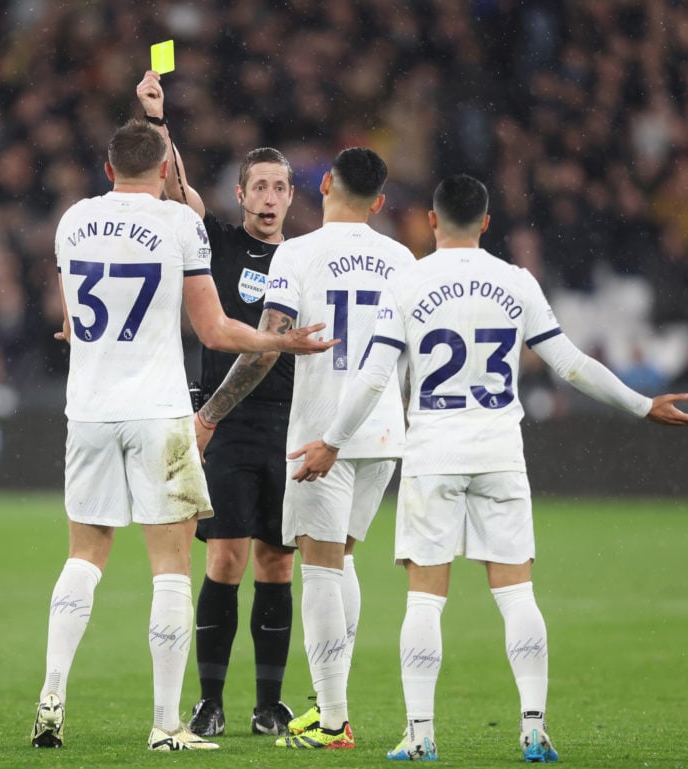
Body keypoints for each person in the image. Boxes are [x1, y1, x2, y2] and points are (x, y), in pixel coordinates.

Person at [289, 174, 688, 763]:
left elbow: (374, 378)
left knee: (425, 601)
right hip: (499, 452)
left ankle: (421, 734)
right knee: (516, 594)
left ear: (432, 221)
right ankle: (533, 728)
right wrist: (642, 404)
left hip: (433, 454)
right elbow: (570, 364)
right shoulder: (517, 282)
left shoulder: (408, 282)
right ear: (486, 223)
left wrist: (331, 442)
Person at [29, 118, 335, 752]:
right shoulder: (181, 227)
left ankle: (52, 691)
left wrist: (154, 118)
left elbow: (69, 318)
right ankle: (168, 723)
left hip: (87, 410)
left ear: (109, 168)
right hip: (163, 413)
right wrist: (282, 339)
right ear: (166, 170)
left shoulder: (73, 220)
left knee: (83, 557)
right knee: (171, 570)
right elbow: (218, 331)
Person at [194, 146, 416, 750]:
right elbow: (414, 354)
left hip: (321, 428)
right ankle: (323, 704)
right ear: (378, 201)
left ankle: (332, 717)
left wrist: (209, 412)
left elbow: (268, 347)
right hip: (382, 433)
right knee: (340, 559)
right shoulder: (401, 257)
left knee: (315, 569)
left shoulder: (297, 253)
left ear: (320, 186)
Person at [136, 69, 300, 737]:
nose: (268, 196)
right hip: (225, 427)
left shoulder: (306, 260)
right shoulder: (218, 242)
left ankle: (268, 703)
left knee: (278, 561)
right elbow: (173, 187)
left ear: (292, 197)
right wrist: (155, 121)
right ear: (240, 194)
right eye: (257, 185)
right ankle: (209, 700)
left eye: (279, 186)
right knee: (225, 557)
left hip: (291, 426)